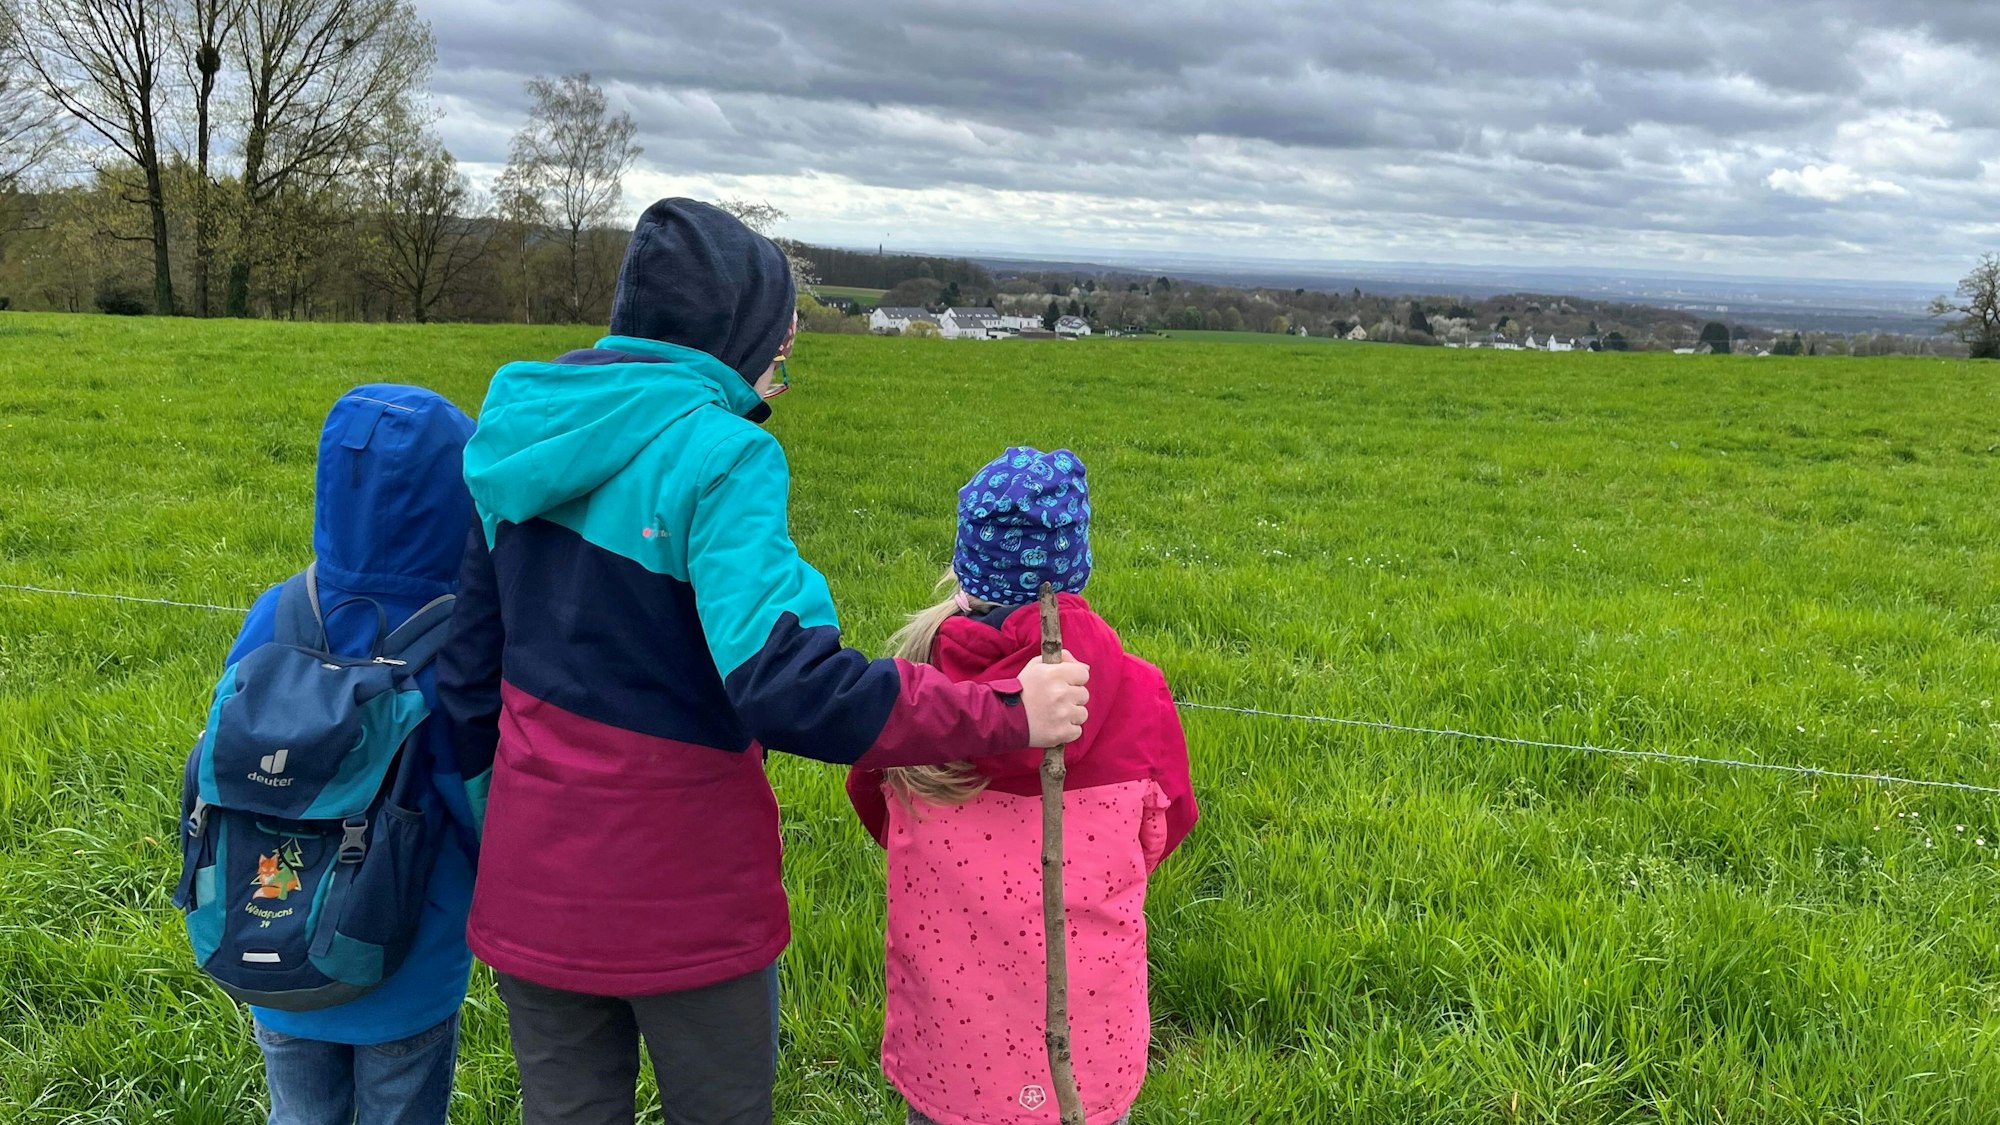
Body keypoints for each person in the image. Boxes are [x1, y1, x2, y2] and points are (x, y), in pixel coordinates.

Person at [436, 198, 1091, 1125]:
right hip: (687, 904)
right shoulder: (723, 455)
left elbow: (463, 687)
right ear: (732, 332)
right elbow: (785, 683)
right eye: (780, 340)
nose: (780, 364)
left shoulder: (511, 437)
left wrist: (503, 842)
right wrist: (1004, 713)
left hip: (531, 895)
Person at [846, 447, 1197, 1125]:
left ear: (966, 567)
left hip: (951, 1045)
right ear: (1076, 565)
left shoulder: (911, 688)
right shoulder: (1138, 693)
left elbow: (877, 810)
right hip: (1088, 1042)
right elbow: (1162, 829)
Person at [218, 385, 481, 1125]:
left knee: (299, 1115)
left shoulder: (277, 610)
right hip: (408, 963)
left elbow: (222, 758)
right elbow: (477, 800)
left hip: (271, 937)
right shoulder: (461, 642)